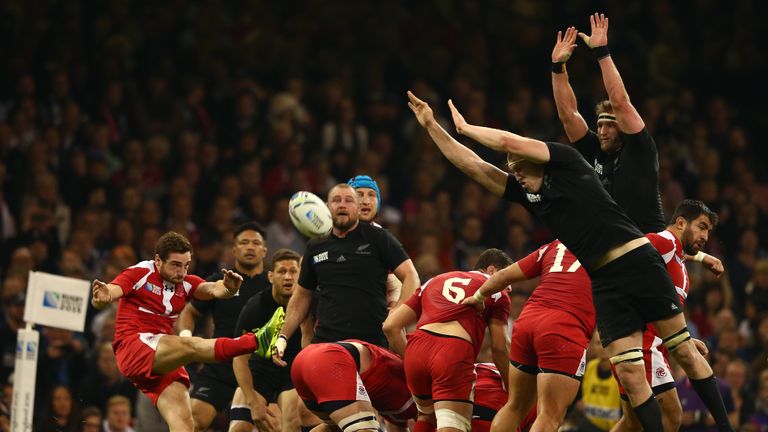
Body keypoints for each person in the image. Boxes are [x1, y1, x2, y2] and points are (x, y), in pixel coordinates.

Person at [406, 89, 735, 432]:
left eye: (517, 166)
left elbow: (511, 141)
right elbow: (475, 167)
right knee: (627, 379)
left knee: (677, 356)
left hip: (630, 265)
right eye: (511, 169)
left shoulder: (569, 164)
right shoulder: (538, 199)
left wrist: (465, 128)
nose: (513, 172)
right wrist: (432, 127)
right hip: (600, 289)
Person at [90, 231, 284, 431]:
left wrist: (229, 288)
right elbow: (111, 291)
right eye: (175, 265)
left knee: (185, 425)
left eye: (186, 265)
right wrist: (103, 296)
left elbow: (212, 289)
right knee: (190, 344)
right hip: (134, 347)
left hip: (160, 358)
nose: (181, 272)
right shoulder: (140, 273)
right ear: (158, 260)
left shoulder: (185, 282)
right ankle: (255, 342)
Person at [611, 200, 724, 432]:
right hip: (643, 346)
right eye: (702, 227)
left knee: (631, 424)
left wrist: (702, 258)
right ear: (681, 222)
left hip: (653, 342)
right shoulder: (664, 241)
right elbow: (634, 248)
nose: (705, 236)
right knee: (671, 416)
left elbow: (659, 311)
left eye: (709, 232)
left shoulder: (678, 258)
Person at [273, 183, 420, 357]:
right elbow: (302, 296)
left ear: (358, 207)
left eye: (349, 200)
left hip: (371, 344)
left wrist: (398, 312)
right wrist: (282, 337)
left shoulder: (379, 238)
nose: (342, 204)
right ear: (326, 208)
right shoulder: (315, 246)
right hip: (327, 343)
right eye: (336, 200)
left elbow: (411, 276)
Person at [462, 240, 594, 431]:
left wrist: (479, 296)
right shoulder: (612, 245)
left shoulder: (555, 245)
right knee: (549, 415)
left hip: (528, 320)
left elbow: (504, 275)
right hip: (564, 327)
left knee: (514, 406)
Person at [550, 18, 664, 234]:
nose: (602, 132)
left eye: (610, 126)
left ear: (622, 126)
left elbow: (620, 102)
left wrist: (602, 52)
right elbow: (568, 115)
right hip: (615, 246)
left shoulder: (640, 149)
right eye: (600, 125)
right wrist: (558, 68)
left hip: (650, 245)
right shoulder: (596, 149)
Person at [382, 248, 512, 432]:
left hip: (417, 349)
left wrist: (410, 356)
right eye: (509, 277)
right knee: (453, 425)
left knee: (427, 416)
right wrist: (513, 388)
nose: (510, 286)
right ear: (492, 271)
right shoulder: (495, 289)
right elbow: (500, 348)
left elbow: (390, 326)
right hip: (452, 351)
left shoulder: (434, 281)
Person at [177, 222, 271, 430]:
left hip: (260, 369)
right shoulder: (220, 280)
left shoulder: (274, 283)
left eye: (256, 243)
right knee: (192, 423)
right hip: (221, 366)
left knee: (270, 425)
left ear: (264, 250)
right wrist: (186, 337)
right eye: (244, 242)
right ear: (234, 249)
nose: (250, 247)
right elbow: (189, 312)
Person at [229, 248, 302, 432]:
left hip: (293, 370)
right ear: (270, 276)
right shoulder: (255, 307)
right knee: (239, 428)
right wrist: (254, 403)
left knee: (292, 420)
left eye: (293, 271)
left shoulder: (311, 303)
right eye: (282, 271)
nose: (288, 277)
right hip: (261, 369)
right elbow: (239, 357)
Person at [290, 339, 417, 432]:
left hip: (306, 358)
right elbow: (391, 327)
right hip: (329, 361)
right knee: (365, 428)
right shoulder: (420, 400)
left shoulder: (404, 406)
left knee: (336, 428)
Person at [348, 174, 402, 308]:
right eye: (359, 194)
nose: (366, 201)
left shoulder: (383, 238)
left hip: (373, 320)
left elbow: (398, 284)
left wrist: (394, 310)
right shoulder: (328, 233)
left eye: (371, 195)